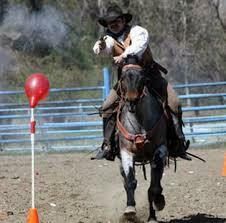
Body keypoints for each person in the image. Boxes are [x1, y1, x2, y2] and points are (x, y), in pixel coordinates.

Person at [93, 3, 191, 161]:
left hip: (151, 76)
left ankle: (177, 142)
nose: (113, 24)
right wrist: (101, 47)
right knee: (106, 108)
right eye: (110, 22)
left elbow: (139, 46)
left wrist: (123, 56)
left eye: (116, 21)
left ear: (123, 20)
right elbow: (101, 49)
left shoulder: (138, 31)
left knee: (174, 103)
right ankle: (108, 145)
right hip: (127, 81)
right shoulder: (109, 39)